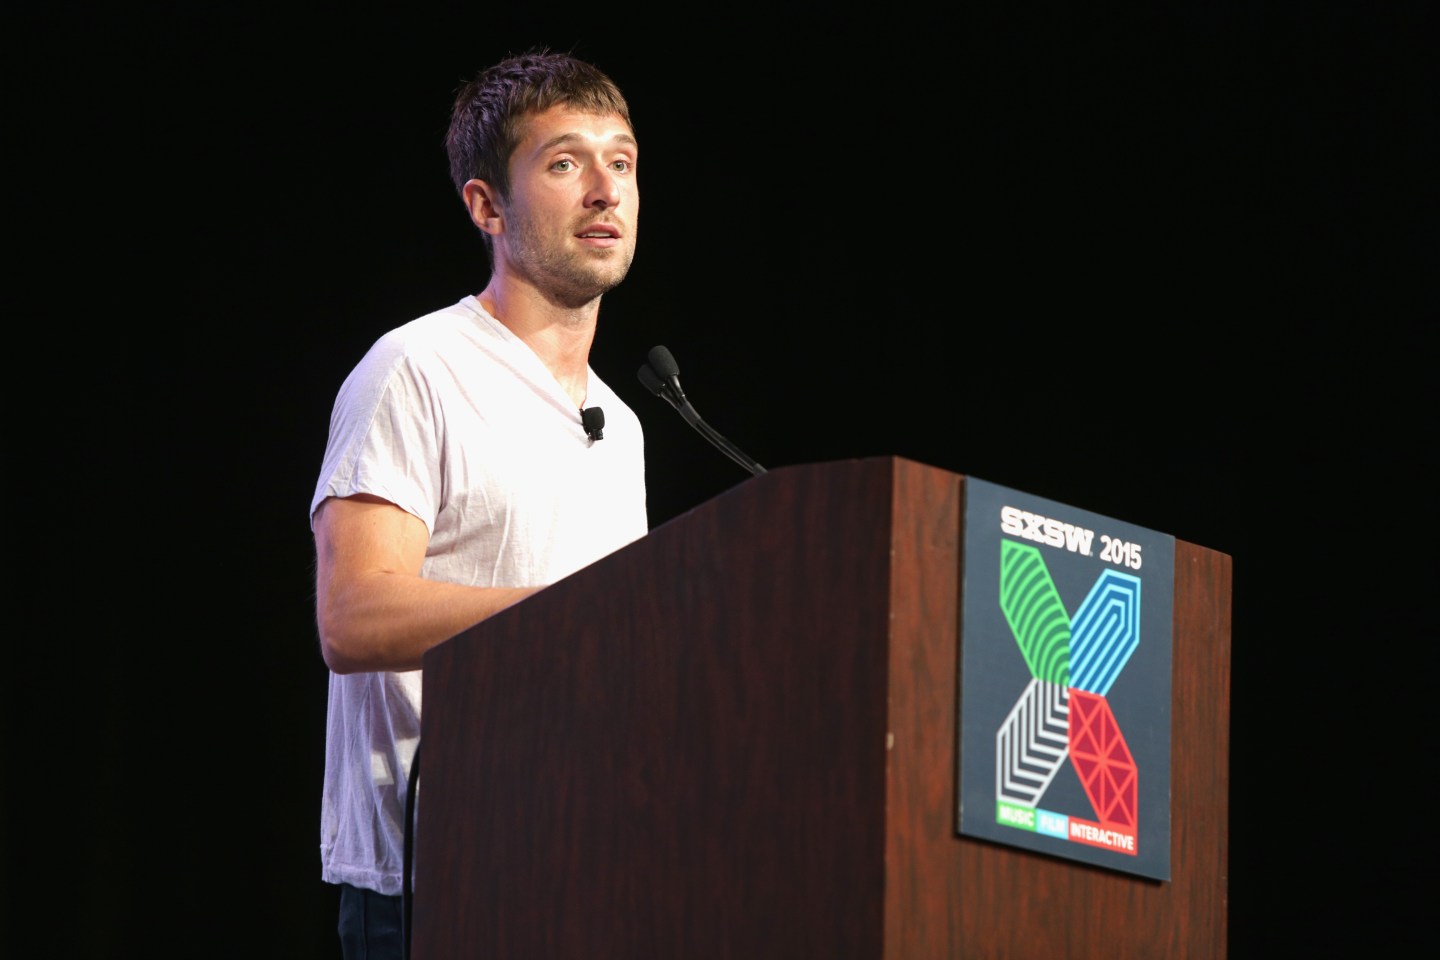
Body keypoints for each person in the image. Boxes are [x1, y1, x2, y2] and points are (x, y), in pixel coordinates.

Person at [308, 49, 649, 960]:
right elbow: (352, 615)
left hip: (588, 868)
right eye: (566, 162)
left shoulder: (623, 425)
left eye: (621, 162)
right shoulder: (416, 370)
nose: (605, 192)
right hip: (437, 883)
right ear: (486, 206)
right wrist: (577, 614)